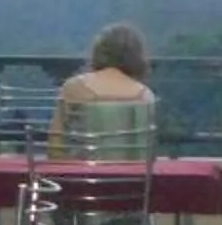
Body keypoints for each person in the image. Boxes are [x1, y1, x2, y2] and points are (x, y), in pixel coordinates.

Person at [53, 21, 157, 157]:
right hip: (131, 176)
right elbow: (147, 153)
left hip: (80, 175)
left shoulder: (74, 88)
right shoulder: (145, 96)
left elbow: (55, 145)